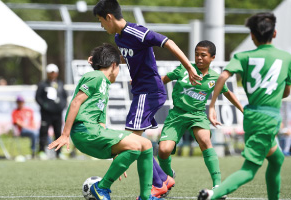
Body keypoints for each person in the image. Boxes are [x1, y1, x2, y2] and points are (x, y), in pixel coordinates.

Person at [92, 0, 202, 197]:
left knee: (130, 142)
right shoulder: (119, 38)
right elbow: (132, 58)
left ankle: (155, 184)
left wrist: (189, 67)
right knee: (136, 142)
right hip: (141, 92)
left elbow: (168, 42)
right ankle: (163, 179)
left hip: (149, 92)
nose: (101, 25)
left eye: (101, 21)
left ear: (109, 17)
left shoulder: (136, 32)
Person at [48, 44, 161, 200]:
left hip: (94, 132)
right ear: (114, 65)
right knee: (137, 144)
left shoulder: (104, 85)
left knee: (144, 145)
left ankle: (145, 196)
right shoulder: (96, 76)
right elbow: (75, 102)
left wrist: (117, 153)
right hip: (85, 130)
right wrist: (65, 134)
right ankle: (102, 187)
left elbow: (101, 123)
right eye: (119, 67)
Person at [198, 13, 291, 200]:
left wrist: (212, 106)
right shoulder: (285, 57)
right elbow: (286, 92)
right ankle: (213, 194)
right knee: (249, 170)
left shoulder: (242, 56)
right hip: (268, 118)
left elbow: (223, 76)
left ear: (252, 36)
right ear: (274, 34)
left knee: (277, 159)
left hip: (251, 116)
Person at [157, 40, 243, 192]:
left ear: (212, 58)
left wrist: (243, 109)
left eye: (203, 55)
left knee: (205, 140)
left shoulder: (215, 78)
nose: (199, 58)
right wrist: (142, 83)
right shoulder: (184, 69)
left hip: (197, 115)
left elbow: (228, 94)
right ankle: (168, 177)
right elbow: (163, 80)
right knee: (163, 150)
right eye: (197, 55)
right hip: (176, 114)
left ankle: (217, 184)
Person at [35, 63, 68, 160]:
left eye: (54, 73)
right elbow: (38, 97)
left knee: (58, 132)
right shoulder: (42, 84)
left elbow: (64, 97)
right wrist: (45, 106)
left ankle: (59, 153)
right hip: (46, 114)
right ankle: (41, 151)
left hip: (57, 114)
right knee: (44, 132)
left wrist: (62, 106)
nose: (52, 74)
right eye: (50, 73)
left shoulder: (60, 84)